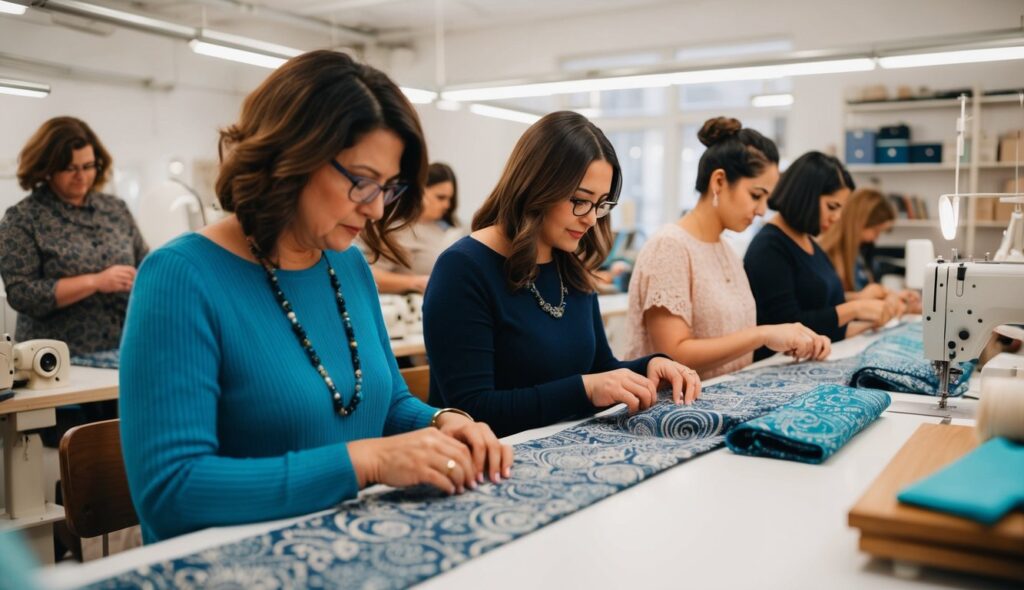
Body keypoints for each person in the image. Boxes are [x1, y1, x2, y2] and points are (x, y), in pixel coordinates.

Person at [119, 50, 512, 544]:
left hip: (348, 539)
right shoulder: (179, 278)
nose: (374, 209)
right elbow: (171, 493)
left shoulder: (346, 263)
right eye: (361, 181)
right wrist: (366, 461)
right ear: (289, 156)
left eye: (388, 188)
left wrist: (442, 421)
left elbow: (384, 402)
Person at [423, 111, 701, 438]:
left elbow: (599, 369)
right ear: (537, 186)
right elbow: (471, 410)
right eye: (580, 201)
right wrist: (584, 390)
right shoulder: (463, 269)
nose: (591, 219)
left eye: (601, 204)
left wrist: (649, 367)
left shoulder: (568, 264)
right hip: (490, 460)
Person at [625, 117, 830, 379]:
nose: (762, 210)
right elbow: (673, 356)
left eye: (767, 198)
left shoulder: (726, 250)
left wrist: (788, 339)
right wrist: (764, 334)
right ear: (719, 182)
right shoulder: (670, 246)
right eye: (756, 195)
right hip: (671, 410)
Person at [0, 116, 148, 355]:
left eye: (88, 166)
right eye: (70, 168)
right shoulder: (23, 218)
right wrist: (96, 282)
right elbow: (22, 295)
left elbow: (145, 263)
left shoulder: (115, 209)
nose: (81, 176)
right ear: (46, 168)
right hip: (58, 359)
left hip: (122, 348)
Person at [744, 151, 895, 360]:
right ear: (805, 196)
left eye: (841, 209)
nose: (837, 217)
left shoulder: (808, 242)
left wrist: (868, 315)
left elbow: (822, 314)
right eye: (832, 207)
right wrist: (855, 308)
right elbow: (789, 325)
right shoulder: (769, 248)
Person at [818, 187, 919, 313]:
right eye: (876, 231)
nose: (875, 238)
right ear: (860, 223)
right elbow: (825, 305)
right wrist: (860, 298)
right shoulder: (825, 255)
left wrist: (894, 297)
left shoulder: (861, 254)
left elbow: (867, 296)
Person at [364, 162, 460, 294]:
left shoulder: (448, 228)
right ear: (420, 191)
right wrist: (416, 283)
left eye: (450, 199)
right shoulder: (397, 230)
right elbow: (371, 275)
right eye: (441, 197)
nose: (447, 205)